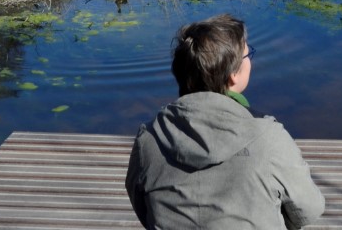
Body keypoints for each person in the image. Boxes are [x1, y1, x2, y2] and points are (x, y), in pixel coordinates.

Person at [125, 13, 325, 229]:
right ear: (233, 76)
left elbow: (144, 209)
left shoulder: (149, 139)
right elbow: (308, 210)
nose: (251, 61)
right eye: (248, 56)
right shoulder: (269, 138)